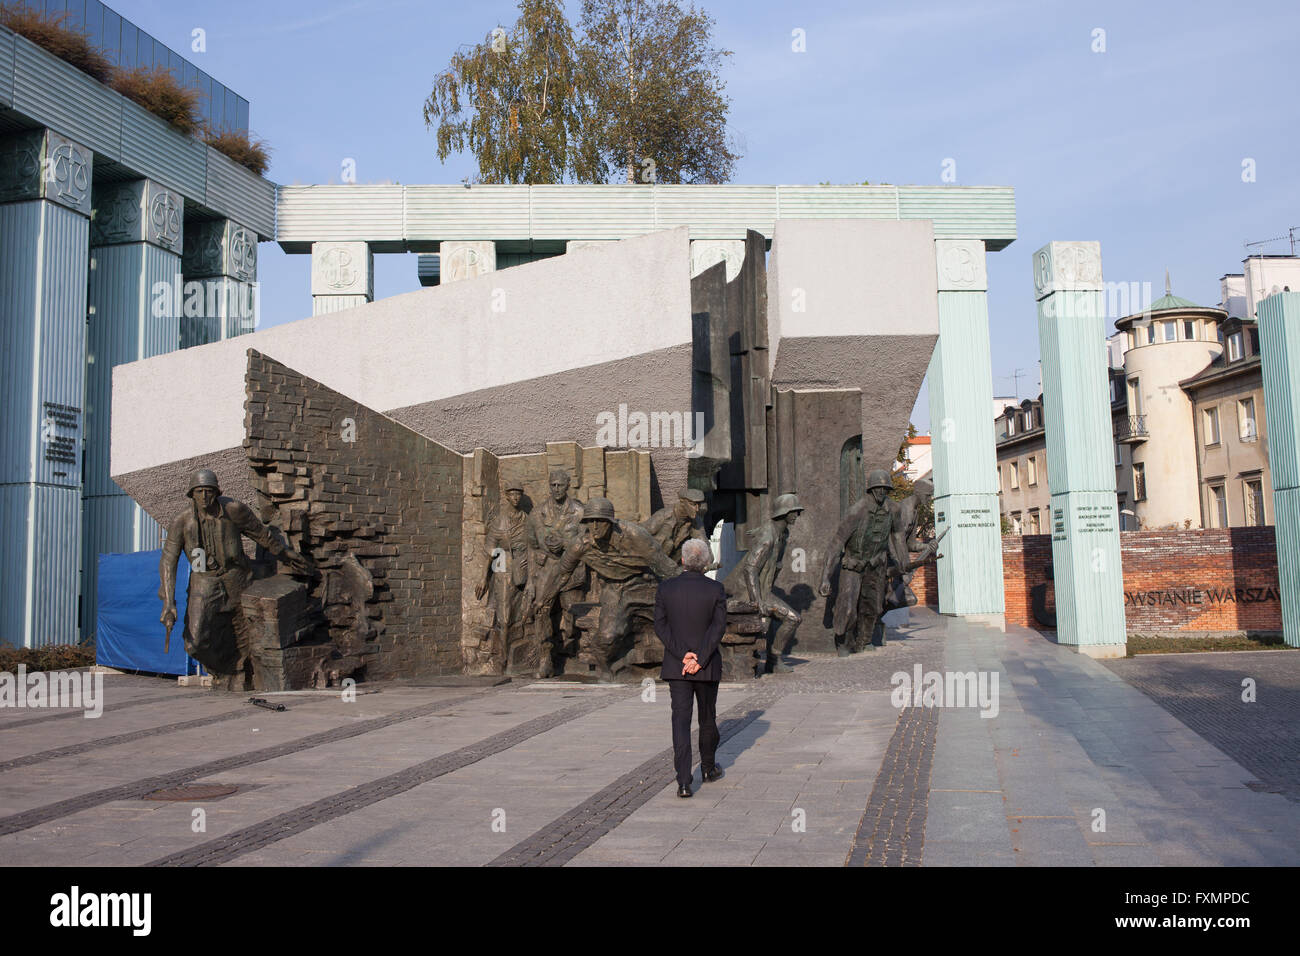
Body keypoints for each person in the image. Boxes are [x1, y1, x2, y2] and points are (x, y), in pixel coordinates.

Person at [159, 469, 310, 690]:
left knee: (245, 633)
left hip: (236, 576)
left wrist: (285, 554)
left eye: (208, 491)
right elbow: (168, 561)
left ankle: (243, 675)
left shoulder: (234, 510)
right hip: (204, 579)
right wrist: (168, 602)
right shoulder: (181, 522)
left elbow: (261, 535)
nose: (204, 497)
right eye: (199, 492)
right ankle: (225, 670)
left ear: (217, 492)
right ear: (192, 494)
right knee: (195, 642)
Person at [531, 497, 679, 680]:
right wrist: (544, 599)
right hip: (614, 587)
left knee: (677, 618)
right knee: (608, 635)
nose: (594, 526)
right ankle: (610, 669)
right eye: (590, 521)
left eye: (600, 521)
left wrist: (691, 591)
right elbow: (562, 573)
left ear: (610, 522)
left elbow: (666, 567)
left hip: (645, 582)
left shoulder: (635, 535)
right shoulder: (581, 545)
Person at [654, 538, 728, 798]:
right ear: (705, 562)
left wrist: (683, 655)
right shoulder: (716, 589)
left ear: (683, 560)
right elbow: (718, 627)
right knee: (707, 717)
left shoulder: (665, 589)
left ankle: (684, 781)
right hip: (706, 667)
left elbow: (660, 626)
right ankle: (707, 768)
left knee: (680, 722)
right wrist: (699, 657)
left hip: (677, 667)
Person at [724, 493, 803, 674]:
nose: (796, 515)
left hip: (763, 588)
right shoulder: (769, 537)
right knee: (793, 618)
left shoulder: (781, 532)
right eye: (794, 511)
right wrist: (756, 599)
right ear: (784, 513)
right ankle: (773, 660)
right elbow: (750, 567)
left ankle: (772, 660)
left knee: (779, 620)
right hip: (750, 591)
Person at [819, 468, 896, 655]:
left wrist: (899, 564)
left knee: (874, 606)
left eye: (885, 489)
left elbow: (897, 539)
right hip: (853, 565)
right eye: (878, 488)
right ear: (871, 489)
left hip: (875, 566)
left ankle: (865, 640)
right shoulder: (857, 511)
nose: (882, 492)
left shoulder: (891, 510)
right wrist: (825, 578)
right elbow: (836, 544)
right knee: (847, 607)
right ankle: (843, 642)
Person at [527, 469, 585, 678]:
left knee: (571, 613)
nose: (556, 489)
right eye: (553, 485)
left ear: (568, 485)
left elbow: (588, 541)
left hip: (571, 569)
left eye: (560, 485)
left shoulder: (580, 511)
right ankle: (545, 660)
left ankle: (570, 652)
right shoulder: (537, 513)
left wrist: (566, 543)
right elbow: (532, 545)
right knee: (541, 610)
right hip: (548, 569)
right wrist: (531, 578)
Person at [641, 488, 708, 563]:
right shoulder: (664, 516)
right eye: (693, 504)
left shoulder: (695, 520)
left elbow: (704, 544)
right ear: (682, 502)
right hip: (652, 562)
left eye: (699, 505)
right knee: (668, 543)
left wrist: (707, 562)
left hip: (673, 565)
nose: (697, 509)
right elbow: (640, 534)